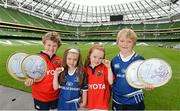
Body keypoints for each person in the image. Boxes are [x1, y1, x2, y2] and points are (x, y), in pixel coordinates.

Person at [111, 28, 154, 110]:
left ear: (134, 44)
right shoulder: (114, 60)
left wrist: (148, 86)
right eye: (122, 41)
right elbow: (113, 79)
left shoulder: (139, 60)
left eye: (129, 41)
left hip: (134, 99)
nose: (125, 44)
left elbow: (146, 79)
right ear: (117, 43)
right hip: (117, 99)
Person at [24, 32, 62, 110]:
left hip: (55, 96)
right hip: (40, 97)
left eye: (54, 46)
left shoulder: (59, 61)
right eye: (49, 45)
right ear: (44, 44)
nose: (51, 48)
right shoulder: (35, 59)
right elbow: (28, 76)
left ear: (58, 47)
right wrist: (28, 80)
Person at [84, 44, 114, 110]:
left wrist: (109, 68)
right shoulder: (85, 69)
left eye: (100, 58)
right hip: (90, 106)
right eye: (94, 57)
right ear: (89, 56)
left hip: (102, 106)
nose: (97, 60)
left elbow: (111, 82)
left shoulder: (105, 68)